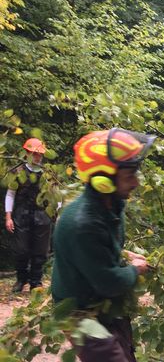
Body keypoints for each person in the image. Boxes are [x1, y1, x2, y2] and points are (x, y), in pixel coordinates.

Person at [51, 128, 155, 362]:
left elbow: (106, 247)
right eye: (129, 177)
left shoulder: (112, 205)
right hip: (79, 312)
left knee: (126, 354)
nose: (136, 183)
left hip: (103, 303)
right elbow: (109, 283)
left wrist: (123, 253)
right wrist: (134, 269)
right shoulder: (84, 223)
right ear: (103, 181)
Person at [4, 138, 53, 293]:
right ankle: (21, 279)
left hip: (42, 215)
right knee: (21, 250)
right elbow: (10, 194)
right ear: (27, 153)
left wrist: (55, 213)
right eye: (34, 153)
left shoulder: (48, 173)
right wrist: (8, 216)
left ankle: (36, 282)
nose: (37, 157)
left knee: (40, 252)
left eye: (39, 154)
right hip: (22, 214)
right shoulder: (18, 171)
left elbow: (55, 196)